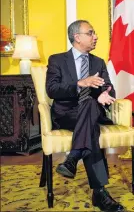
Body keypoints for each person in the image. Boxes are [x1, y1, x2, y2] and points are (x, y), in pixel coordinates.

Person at [46, 20, 124, 212]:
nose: (95, 36)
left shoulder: (98, 62)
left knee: (90, 103)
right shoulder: (57, 60)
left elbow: (108, 87)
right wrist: (80, 83)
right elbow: (52, 89)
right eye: (91, 33)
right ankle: (99, 193)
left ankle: (73, 157)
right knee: (91, 131)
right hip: (67, 113)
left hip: (90, 110)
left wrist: (107, 94)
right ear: (77, 37)